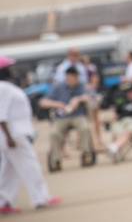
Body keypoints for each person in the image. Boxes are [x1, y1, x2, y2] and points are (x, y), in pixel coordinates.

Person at [0, 56, 61, 212]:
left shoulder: (5, 87)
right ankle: (40, 197)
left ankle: (4, 202)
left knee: (9, 170)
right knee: (30, 166)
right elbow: (2, 116)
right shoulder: (3, 88)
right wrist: (9, 137)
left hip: (12, 134)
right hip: (13, 135)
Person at [38, 66, 94, 170]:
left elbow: (88, 96)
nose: (77, 79)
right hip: (61, 118)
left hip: (78, 116)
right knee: (54, 133)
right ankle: (56, 159)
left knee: (85, 128)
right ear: (68, 77)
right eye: (75, 77)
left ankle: (85, 154)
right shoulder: (58, 87)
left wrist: (77, 99)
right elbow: (42, 102)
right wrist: (57, 104)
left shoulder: (80, 86)